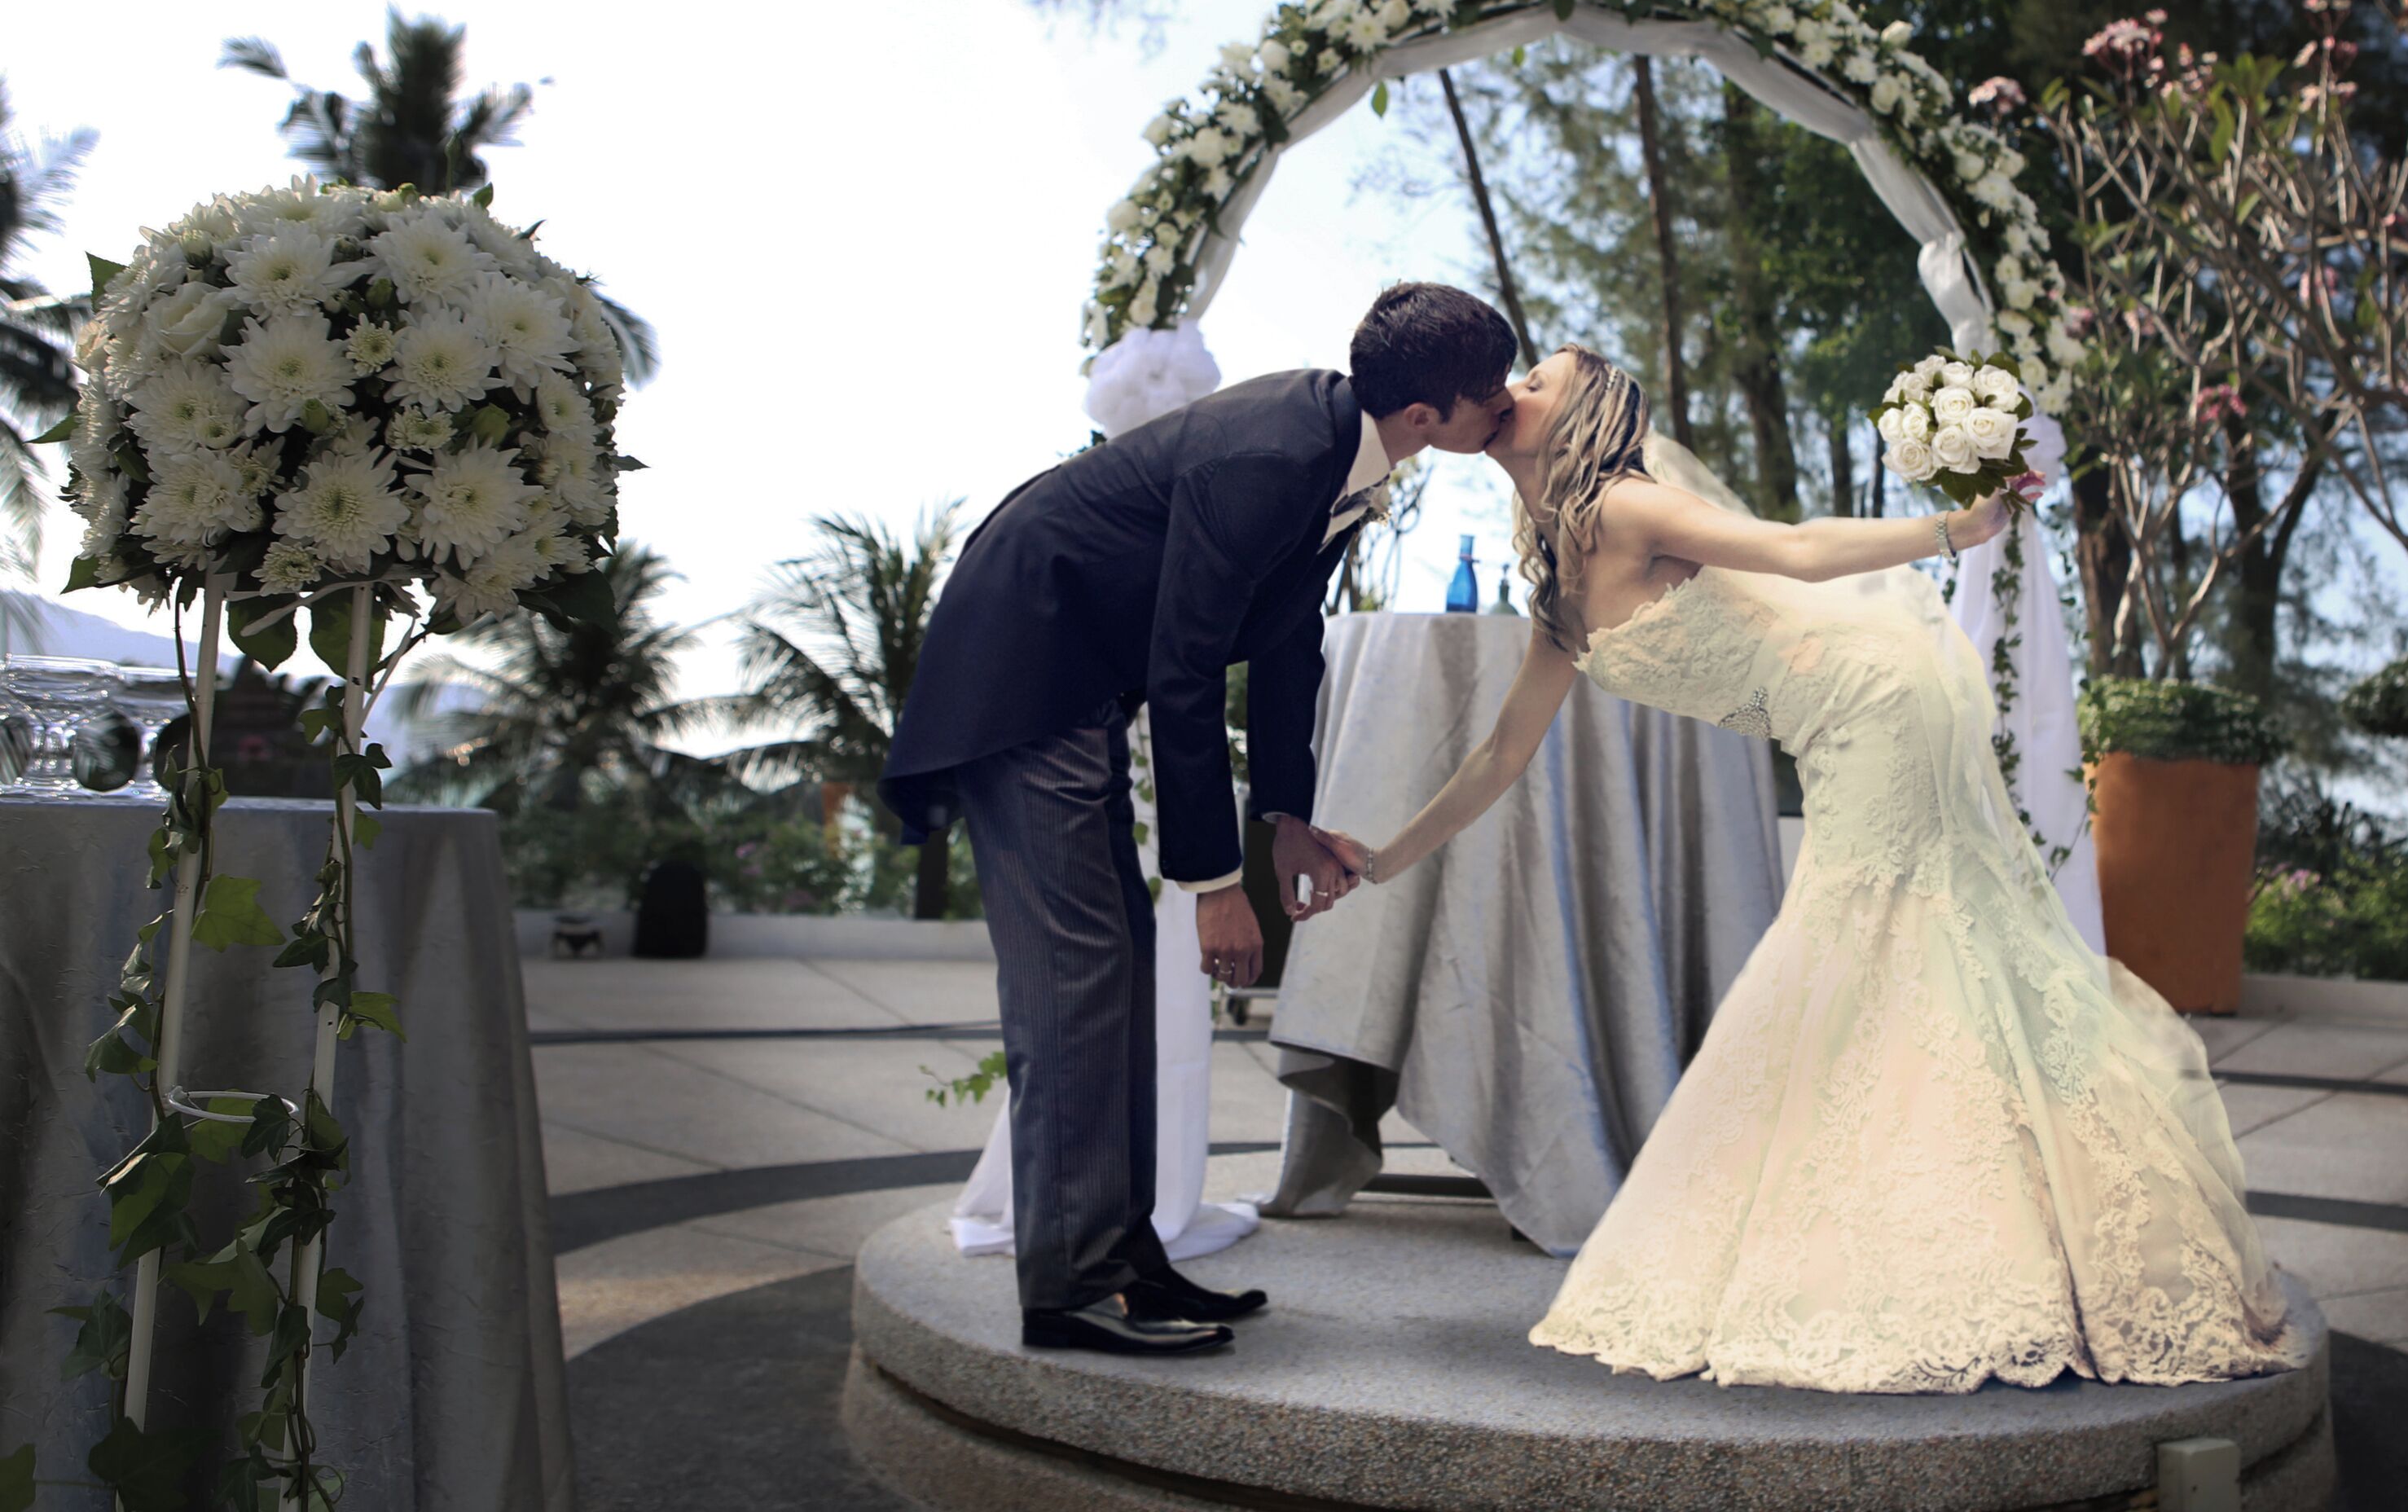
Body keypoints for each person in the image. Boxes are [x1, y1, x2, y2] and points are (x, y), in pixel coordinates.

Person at [1329, 347, 2305, 1393]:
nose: (1515, 390)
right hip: (1837, 723)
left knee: (1881, 951)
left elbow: (1792, 549)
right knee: (1889, 957)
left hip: (1877, 705)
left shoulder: (1627, 507)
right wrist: (1383, 858)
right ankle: (1999, 1217)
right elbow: (1501, 754)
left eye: (1541, 381)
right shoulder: (1563, 579)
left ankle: (2003, 1245)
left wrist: (1952, 531)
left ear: (1588, 414)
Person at [882, 283, 1517, 1357]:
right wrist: (1214, 887)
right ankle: (1072, 1290)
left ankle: (1122, 1264)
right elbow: (1184, 669)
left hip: (1072, 684)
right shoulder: (1274, 458)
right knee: (1081, 985)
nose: (1500, 412)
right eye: (1487, 397)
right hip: (1022, 679)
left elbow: (1284, 645)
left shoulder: (1336, 450)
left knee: (1115, 976)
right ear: (1427, 415)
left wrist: (1284, 816)